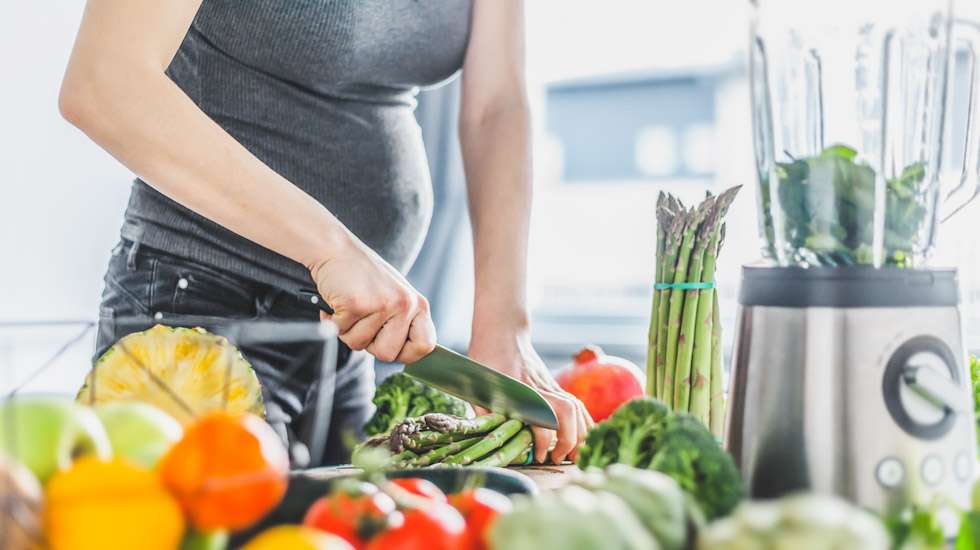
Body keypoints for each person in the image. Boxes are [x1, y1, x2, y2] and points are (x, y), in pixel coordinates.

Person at [60, 0, 592, 465]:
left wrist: (502, 328)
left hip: (345, 342)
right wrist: (331, 248)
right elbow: (104, 83)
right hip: (196, 319)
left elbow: (497, 105)